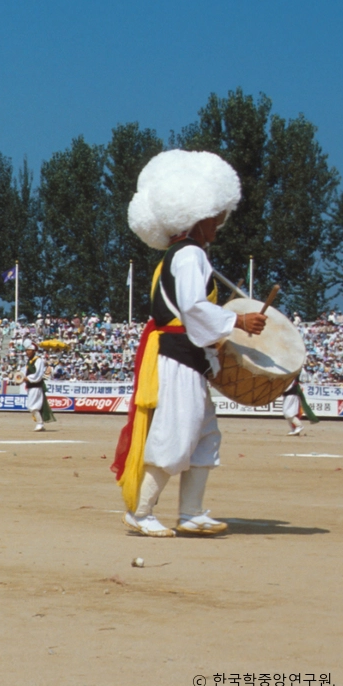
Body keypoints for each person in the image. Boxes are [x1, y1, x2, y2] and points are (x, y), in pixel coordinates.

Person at [112, 150, 268, 537]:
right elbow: (193, 307)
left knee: (204, 434)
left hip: (187, 355)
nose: (219, 223)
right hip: (178, 356)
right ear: (198, 217)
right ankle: (141, 510)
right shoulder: (190, 255)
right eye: (215, 216)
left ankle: (191, 512)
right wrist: (238, 320)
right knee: (177, 433)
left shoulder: (183, 254)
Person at [22, 340, 55, 431]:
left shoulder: (38, 360)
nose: (27, 352)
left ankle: (40, 424)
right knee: (32, 406)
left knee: (33, 406)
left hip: (36, 385)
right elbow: (24, 371)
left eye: (29, 350)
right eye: (26, 350)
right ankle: (40, 423)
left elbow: (38, 374)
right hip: (31, 386)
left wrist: (27, 378)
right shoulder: (29, 361)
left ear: (33, 351)